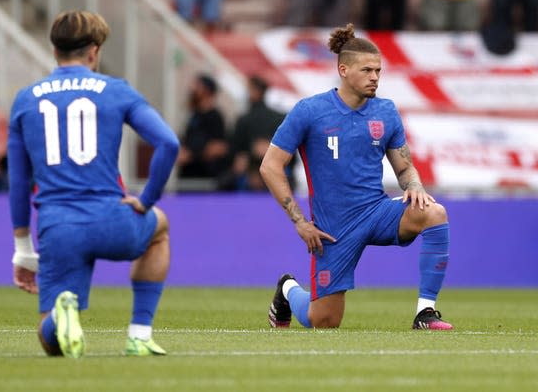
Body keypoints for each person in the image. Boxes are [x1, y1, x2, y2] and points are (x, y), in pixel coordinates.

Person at [7, 10, 180, 358]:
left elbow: (18, 180)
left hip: (58, 227)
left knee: (50, 343)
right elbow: (168, 143)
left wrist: (23, 249)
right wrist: (146, 200)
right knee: (159, 229)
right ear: (95, 51)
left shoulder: (26, 99)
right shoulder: (116, 90)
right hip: (113, 218)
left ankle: (62, 316)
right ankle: (140, 334)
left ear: (54, 51)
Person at [260, 23, 453, 331]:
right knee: (324, 322)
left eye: (378, 71)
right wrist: (299, 222)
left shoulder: (386, 111)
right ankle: (287, 289)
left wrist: (414, 184)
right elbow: (270, 166)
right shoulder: (310, 111)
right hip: (333, 229)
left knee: (434, 213)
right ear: (343, 69)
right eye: (367, 70)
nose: (375, 77)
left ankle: (425, 313)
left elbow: (404, 168)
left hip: (376, 211)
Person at [220, 75, 288, 191]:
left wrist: (267, 151)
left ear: (256, 91)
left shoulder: (245, 119)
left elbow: (236, 150)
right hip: (258, 172)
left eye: (249, 89)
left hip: (264, 170)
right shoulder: (279, 118)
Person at [177, 73, 229, 181]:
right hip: (188, 176)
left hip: (206, 177)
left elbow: (219, 147)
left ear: (207, 90)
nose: (193, 89)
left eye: (197, 85)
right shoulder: (194, 115)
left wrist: (192, 156)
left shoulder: (215, 116)